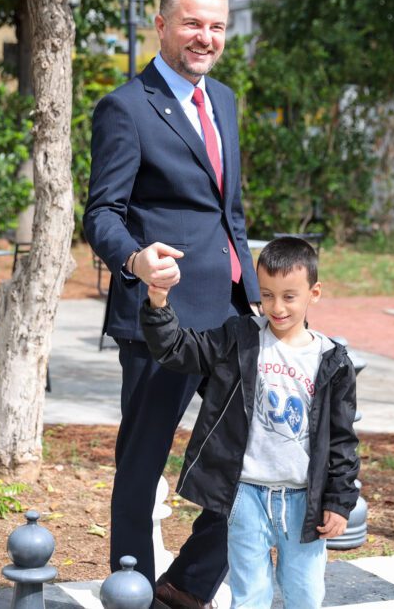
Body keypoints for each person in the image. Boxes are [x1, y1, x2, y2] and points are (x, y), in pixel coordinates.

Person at [82, 0, 260, 608]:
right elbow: (101, 213)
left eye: (215, 26)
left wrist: (256, 296)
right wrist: (134, 261)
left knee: (253, 455)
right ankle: (130, 586)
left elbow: (228, 212)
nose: (204, 37)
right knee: (142, 462)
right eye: (191, 23)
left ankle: (186, 586)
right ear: (161, 25)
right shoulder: (125, 107)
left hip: (233, 318)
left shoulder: (229, 102)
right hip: (161, 318)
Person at [140, 237, 360, 609]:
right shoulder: (239, 339)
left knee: (305, 594)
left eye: (290, 296)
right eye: (268, 294)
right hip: (247, 496)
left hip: (303, 501)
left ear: (314, 293)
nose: (277, 307)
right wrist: (158, 302)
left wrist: (339, 501)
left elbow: (341, 440)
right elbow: (176, 348)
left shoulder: (332, 362)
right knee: (250, 595)